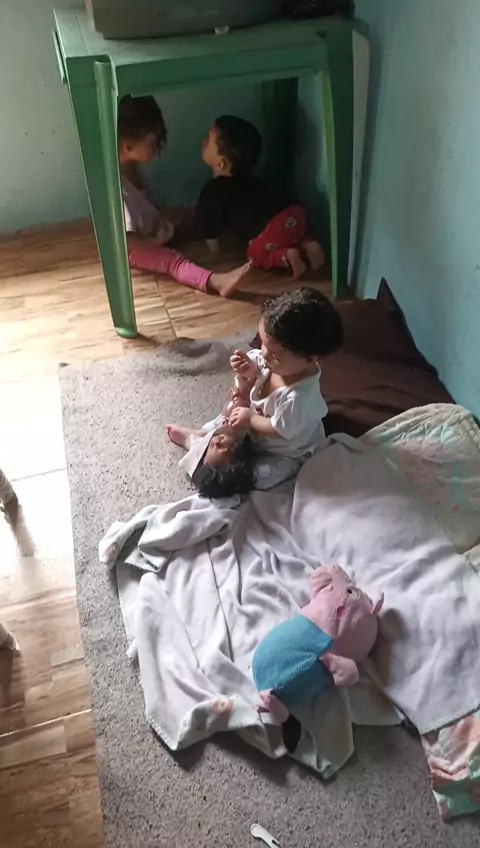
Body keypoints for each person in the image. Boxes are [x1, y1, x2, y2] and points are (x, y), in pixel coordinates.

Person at [167, 287, 343, 493]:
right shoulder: (270, 361)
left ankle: (212, 451)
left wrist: (251, 419)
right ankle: (200, 436)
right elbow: (250, 373)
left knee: (262, 476)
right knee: (223, 421)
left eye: (275, 355)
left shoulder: (300, 398)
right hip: (254, 428)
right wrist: (245, 374)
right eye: (263, 344)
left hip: (285, 450)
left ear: (310, 359)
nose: (264, 355)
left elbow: (279, 429)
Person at [118, 96, 251, 298]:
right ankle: (217, 282)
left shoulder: (130, 166)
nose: (159, 148)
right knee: (172, 261)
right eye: (154, 144)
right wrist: (156, 240)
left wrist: (164, 221)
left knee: (188, 218)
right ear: (128, 146)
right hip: (135, 249)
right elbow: (127, 240)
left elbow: (144, 205)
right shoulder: (119, 189)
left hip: (150, 230)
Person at [195, 115, 325, 280]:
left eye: (207, 140)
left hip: (273, 225)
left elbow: (209, 227)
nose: (203, 142)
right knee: (286, 235)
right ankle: (308, 244)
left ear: (221, 163)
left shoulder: (212, 190)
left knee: (255, 253)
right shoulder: (255, 181)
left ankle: (288, 256)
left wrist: (215, 252)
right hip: (295, 211)